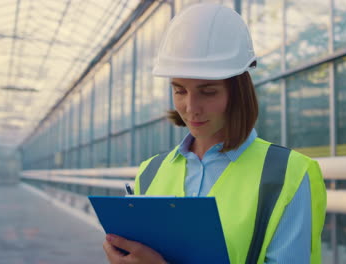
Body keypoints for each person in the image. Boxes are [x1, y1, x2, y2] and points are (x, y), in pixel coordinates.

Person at [103, 3, 326, 264]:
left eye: (208, 92)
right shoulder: (150, 172)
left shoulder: (290, 175)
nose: (191, 108)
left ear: (238, 92)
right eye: (179, 90)